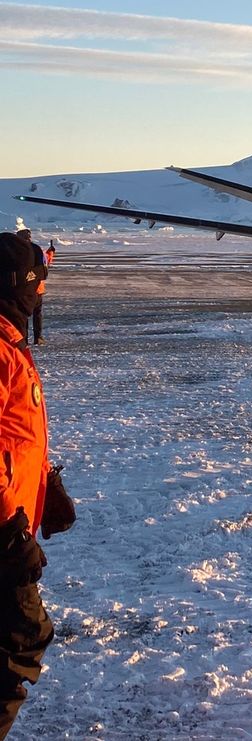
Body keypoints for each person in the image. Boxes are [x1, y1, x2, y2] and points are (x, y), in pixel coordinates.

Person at [0, 232, 55, 739]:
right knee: (23, 637)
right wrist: (10, 531)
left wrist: (47, 483)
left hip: (11, 520)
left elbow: (15, 433)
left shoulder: (9, 340)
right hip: (1, 534)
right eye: (39, 283)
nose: (43, 294)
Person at [16, 232, 47, 347]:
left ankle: (23, 339)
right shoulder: (37, 249)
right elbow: (45, 264)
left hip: (24, 289)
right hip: (38, 288)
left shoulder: (17, 251)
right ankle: (38, 337)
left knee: (23, 314)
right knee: (37, 313)